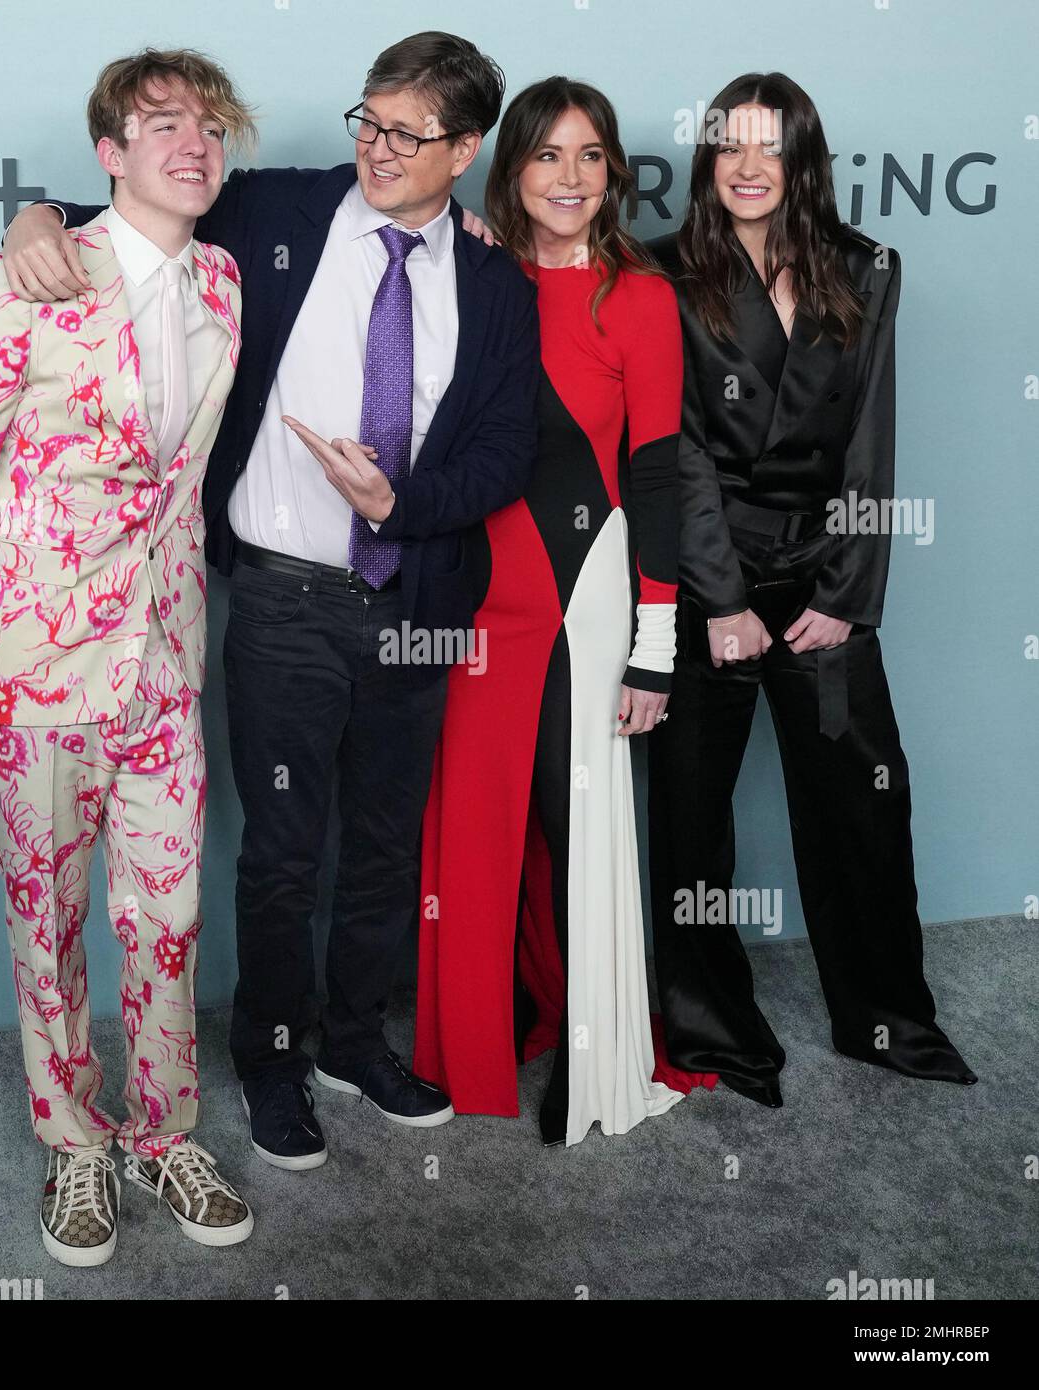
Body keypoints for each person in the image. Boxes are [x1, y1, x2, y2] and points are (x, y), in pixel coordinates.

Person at [1, 31, 540, 1170]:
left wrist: (400, 500)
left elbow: (505, 448)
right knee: (284, 850)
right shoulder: (279, 213)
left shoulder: (493, 279)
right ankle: (275, 1056)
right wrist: (34, 219)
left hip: (419, 599)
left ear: (466, 151)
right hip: (286, 603)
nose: (380, 150)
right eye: (370, 122)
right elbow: (136, 201)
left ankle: (356, 1040)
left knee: (387, 847)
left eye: (410, 134)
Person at [0, 49, 256, 1265]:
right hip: (32, 657)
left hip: (165, 655)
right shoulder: (26, 276)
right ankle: (75, 1143)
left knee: (167, 912)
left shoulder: (222, 281)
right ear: (110, 152)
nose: (192, 143)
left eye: (210, 126)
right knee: (44, 920)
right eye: (162, 124)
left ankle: (164, 1131)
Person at [645, 72, 977, 1108]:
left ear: (802, 160)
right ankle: (714, 1025)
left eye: (769, 147)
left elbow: (871, 438)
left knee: (864, 804)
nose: (748, 167)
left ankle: (886, 1015)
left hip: (827, 571)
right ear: (708, 160)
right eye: (729, 147)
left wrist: (846, 592)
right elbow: (680, 452)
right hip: (715, 579)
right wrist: (727, 599)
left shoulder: (866, 267)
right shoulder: (662, 272)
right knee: (693, 816)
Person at [415, 78, 713, 1148]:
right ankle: (481, 1035)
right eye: (548, 156)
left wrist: (654, 647)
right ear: (512, 168)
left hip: (585, 594)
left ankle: (591, 1055)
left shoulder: (637, 296)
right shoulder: (469, 274)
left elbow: (659, 474)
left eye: (591, 157)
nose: (571, 178)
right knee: (478, 826)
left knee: (571, 818)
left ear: (614, 174)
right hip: (469, 594)